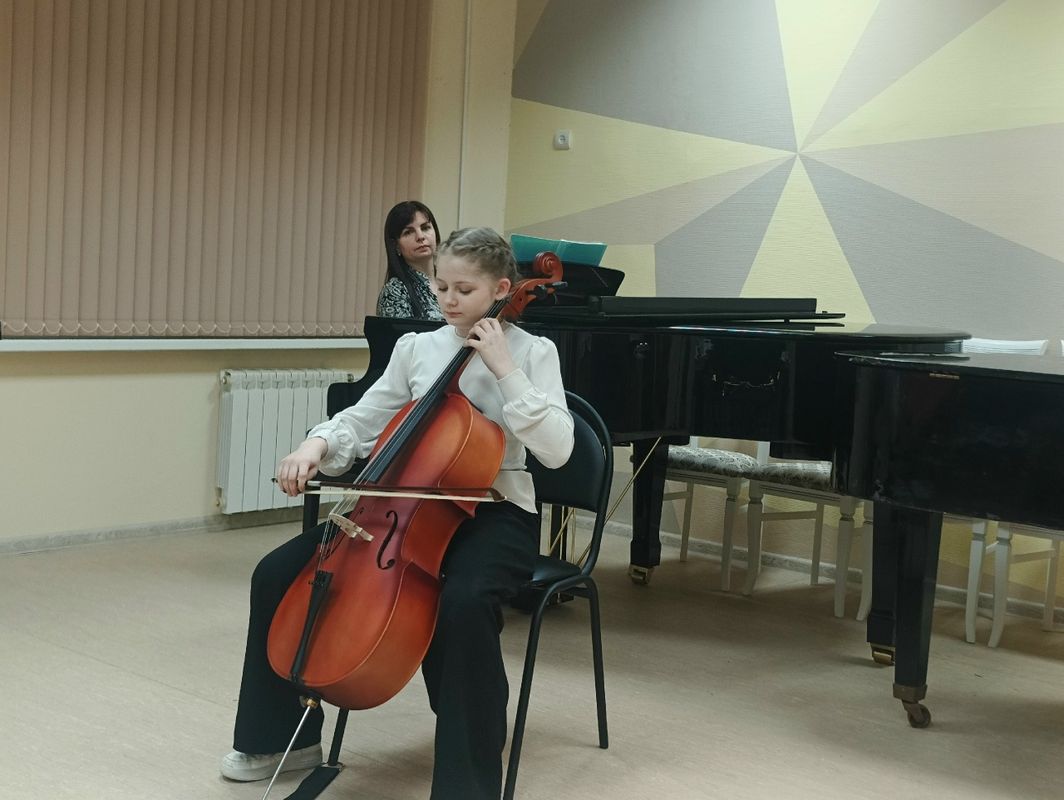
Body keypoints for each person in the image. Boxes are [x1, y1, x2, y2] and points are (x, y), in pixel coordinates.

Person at [222, 227, 575, 800]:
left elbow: (558, 449)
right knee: (276, 572)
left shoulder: (534, 353)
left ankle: (468, 779)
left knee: (463, 600)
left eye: (464, 289)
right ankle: (280, 737)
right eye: (441, 287)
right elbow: (365, 419)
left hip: (496, 510)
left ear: (501, 289)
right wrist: (316, 444)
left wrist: (504, 367)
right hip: (401, 506)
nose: (449, 300)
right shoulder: (417, 347)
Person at [377, 200, 445, 320]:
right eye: (408, 232)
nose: (420, 237)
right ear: (396, 246)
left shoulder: (451, 282)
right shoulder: (395, 291)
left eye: (425, 228)